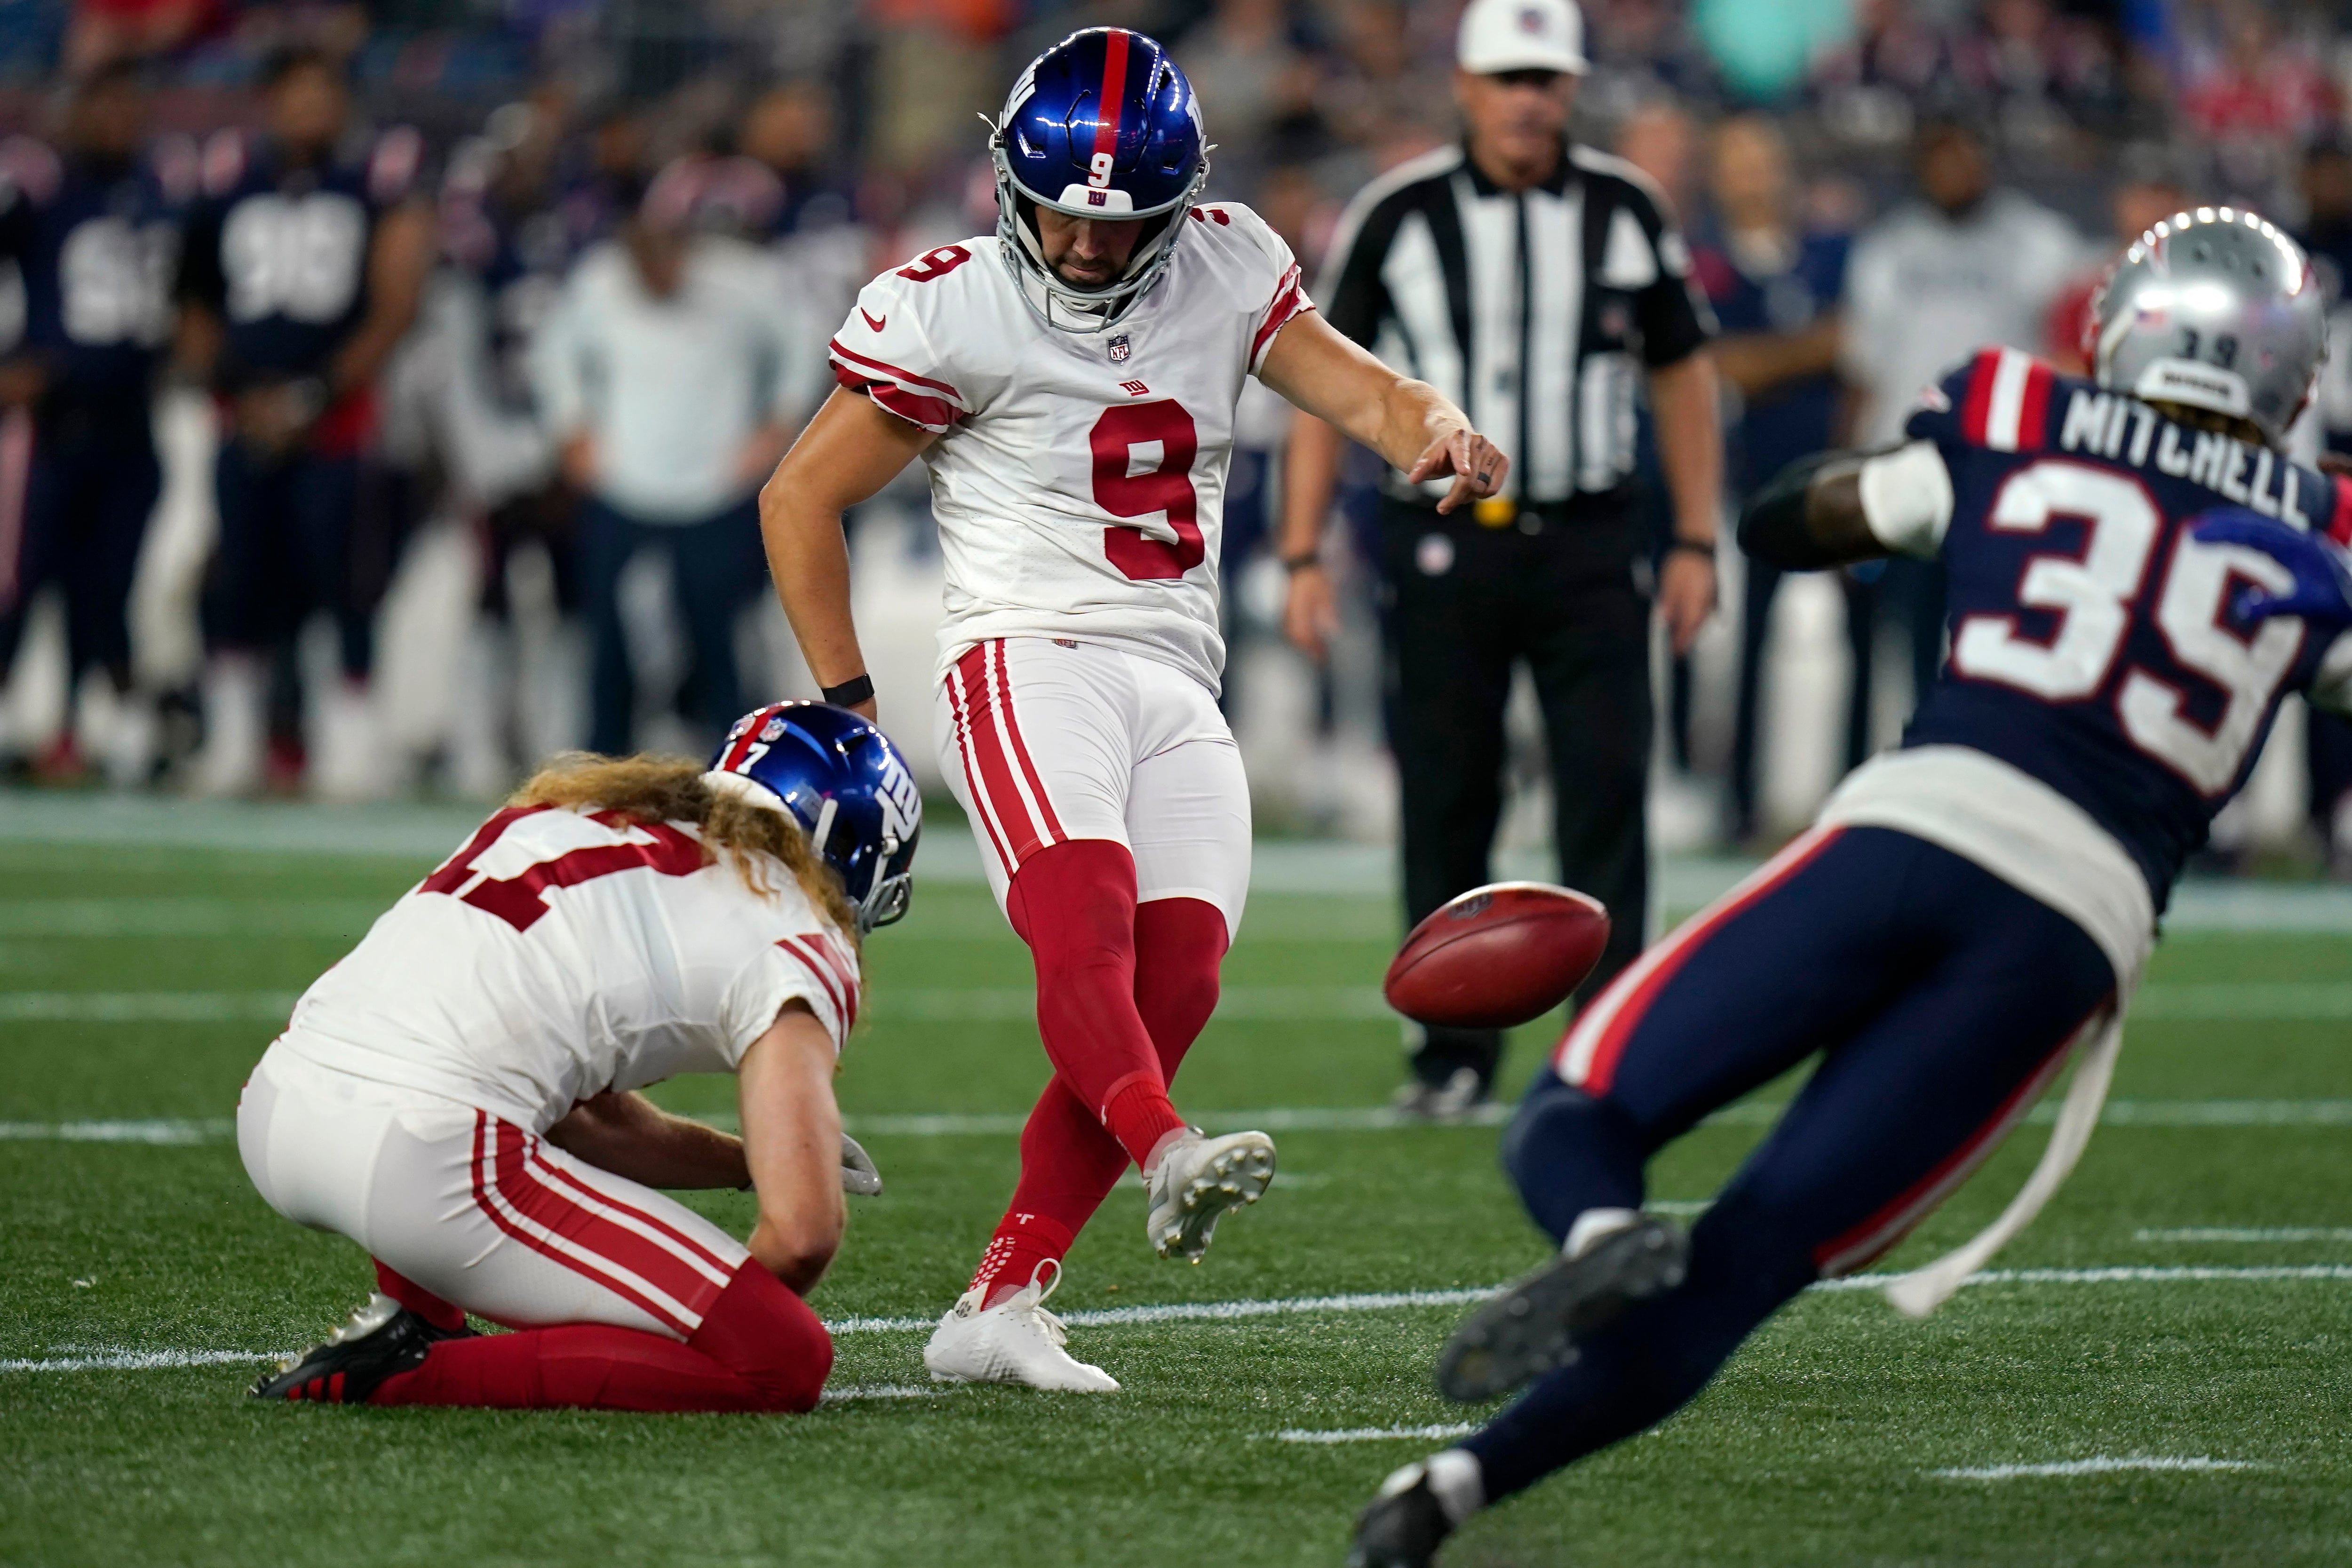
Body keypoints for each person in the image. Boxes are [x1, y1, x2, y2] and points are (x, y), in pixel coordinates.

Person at [1349, 208, 2345, 1565]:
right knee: (1752, 1264)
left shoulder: (2017, 415)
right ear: (2293, 374)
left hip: (1919, 829)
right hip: (2073, 930)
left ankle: (1600, 1227)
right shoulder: (2323, 529)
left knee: (1579, 1108)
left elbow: (1793, 520)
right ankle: (1447, 1493)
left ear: (2134, 324)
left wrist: (1886, 491)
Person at [758, 27, 1509, 1392]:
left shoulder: (1226, 261)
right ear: (1009, 181)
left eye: (1124, 223)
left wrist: (1440, 429)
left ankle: (998, 1299)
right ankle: (1168, 1148)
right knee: (1085, 930)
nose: (1090, 247)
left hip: (1176, 665)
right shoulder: (953, 305)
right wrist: (854, 704)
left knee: (1185, 976)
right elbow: (798, 497)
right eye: (1064, 213)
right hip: (1024, 652)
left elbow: (1366, 392)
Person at [1281, 0, 1722, 1117]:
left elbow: (1682, 371)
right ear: (1468, 87)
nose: (1529, 98)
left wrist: (1694, 537)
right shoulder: (1399, 212)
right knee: (1445, 795)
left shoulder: (1625, 209)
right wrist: (1299, 550)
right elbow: (1313, 376)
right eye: (1509, 77)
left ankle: (1608, 1059)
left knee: (1606, 795)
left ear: (1570, 88)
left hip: (1588, 536)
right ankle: (1450, 1054)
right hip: (1439, 543)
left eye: (1547, 78)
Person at [239, 700, 919, 1412]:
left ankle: (419, 1312)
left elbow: (589, 1123)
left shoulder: (573, 813)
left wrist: (750, 1160)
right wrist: (722, 1321)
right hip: (426, 1160)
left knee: (488, 1079)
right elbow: (805, 1233)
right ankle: (404, 1371)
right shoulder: (798, 928)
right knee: (784, 1358)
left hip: (277, 1106)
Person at [175, 45, 435, 798]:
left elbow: (397, 304)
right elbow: (191, 300)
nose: (310, 109)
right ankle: (232, 743)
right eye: (297, 94)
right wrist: (238, 390)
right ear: (270, 101)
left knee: (344, 582)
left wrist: (315, 393)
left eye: (324, 94)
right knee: (237, 581)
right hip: (243, 415)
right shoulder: (226, 182)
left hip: (339, 420)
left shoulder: (374, 184)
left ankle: (349, 746)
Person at [530, 177, 809, 758]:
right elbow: (554, 355)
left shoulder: (743, 279)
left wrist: (776, 430)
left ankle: (736, 764)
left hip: (713, 486)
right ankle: (603, 763)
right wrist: (571, 430)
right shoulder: (599, 281)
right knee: (607, 636)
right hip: (622, 481)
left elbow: (804, 345)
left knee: (720, 636)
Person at [1836, 117, 2082, 752]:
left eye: (1962, 155)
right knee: (1907, 636)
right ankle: (1914, 763)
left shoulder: (2038, 244)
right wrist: (1848, 473)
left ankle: (1993, 761)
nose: (1952, 171)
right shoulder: (1889, 249)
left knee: (1995, 635)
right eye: (1938, 158)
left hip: (2005, 476)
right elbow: (1865, 373)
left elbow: (2067, 355)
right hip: (1909, 466)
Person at [0, 62, 183, 786]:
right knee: (24, 578)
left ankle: (87, 730)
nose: (119, 119)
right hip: (51, 423)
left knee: (107, 591)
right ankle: (21, 721)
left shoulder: (160, 193)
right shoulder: (42, 193)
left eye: (130, 104)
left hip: (132, 421)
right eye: (104, 104)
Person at [1692, 113, 1854, 843]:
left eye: (1762, 159)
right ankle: (1740, 801)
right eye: (1738, 161)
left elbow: (1854, 345)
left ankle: (1854, 804)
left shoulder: (1830, 249)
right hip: (1750, 482)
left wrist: (1773, 358)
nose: (1753, 176)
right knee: (1744, 644)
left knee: (1861, 641)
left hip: (1838, 479)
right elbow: (1722, 365)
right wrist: (1806, 351)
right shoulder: (1704, 260)